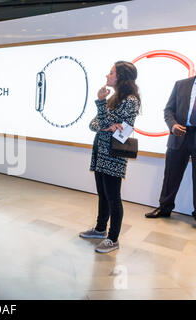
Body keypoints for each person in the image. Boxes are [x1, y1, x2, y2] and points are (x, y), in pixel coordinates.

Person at [79, 61, 141, 253]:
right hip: (100, 151)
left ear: (121, 76)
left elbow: (106, 121)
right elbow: (93, 124)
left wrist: (100, 103)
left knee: (113, 197)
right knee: (103, 194)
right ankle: (100, 229)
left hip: (113, 154)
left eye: (111, 72)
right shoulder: (114, 98)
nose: (107, 75)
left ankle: (113, 238)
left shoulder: (130, 100)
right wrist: (106, 123)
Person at [145, 74, 196, 219]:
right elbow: (168, 110)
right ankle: (164, 208)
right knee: (170, 175)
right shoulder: (181, 84)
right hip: (179, 134)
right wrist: (173, 125)